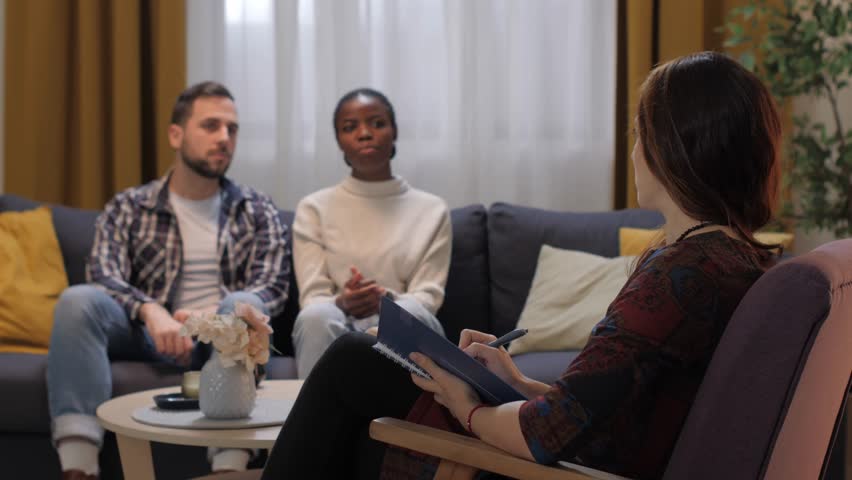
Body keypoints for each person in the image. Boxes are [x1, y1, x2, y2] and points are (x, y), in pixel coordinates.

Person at [261, 51, 782, 479]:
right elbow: (606, 402)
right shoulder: (736, 260)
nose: (636, 151)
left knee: (357, 359)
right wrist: (514, 382)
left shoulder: (678, 277)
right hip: (587, 452)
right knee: (361, 376)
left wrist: (466, 402)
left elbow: (542, 435)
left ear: (672, 149)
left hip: (553, 468)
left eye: (641, 135)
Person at [46, 81, 291, 480]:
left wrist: (209, 320)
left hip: (222, 336)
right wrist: (152, 312)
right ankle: (79, 468)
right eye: (210, 126)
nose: (224, 138)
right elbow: (103, 273)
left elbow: (272, 286)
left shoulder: (255, 208)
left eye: (232, 129)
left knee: (244, 304)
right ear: (176, 134)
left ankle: (228, 466)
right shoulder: (130, 205)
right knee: (78, 300)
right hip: (146, 332)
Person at [291, 88, 451, 379]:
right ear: (339, 141)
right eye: (350, 127)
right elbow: (313, 298)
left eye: (377, 123)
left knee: (410, 315)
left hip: (406, 325)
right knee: (316, 317)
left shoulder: (432, 209)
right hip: (338, 322)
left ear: (394, 131)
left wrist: (386, 301)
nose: (365, 134)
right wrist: (343, 302)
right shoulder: (313, 208)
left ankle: (410, 422)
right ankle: (315, 420)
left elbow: (428, 297)